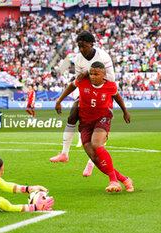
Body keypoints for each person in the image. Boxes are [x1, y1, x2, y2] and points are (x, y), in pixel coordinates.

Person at [50, 31, 116, 178]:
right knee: (73, 115)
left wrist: (89, 73)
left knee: (98, 135)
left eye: (84, 46)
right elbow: (78, 80)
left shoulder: (103, 57)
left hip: (103, 93)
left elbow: (111, 78)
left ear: (92, 44)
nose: (81, 49)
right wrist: (60, 100)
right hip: (87, 93)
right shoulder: (78, 59)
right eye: (79, 46)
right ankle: (64, 153)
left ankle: (91, 163)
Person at [75, 61, 133, 192]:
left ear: (104, 74)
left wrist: (125, 111)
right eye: (91, 74)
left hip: (103, 117)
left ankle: (114, 181)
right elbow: (71, 86)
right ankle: (124, 179)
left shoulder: (110, 86)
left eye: (96, 74)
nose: (93, 76)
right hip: (85, 121)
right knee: (95, 158)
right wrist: (60, 100)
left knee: (96, 144)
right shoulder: (82, 81)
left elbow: (117, 96)